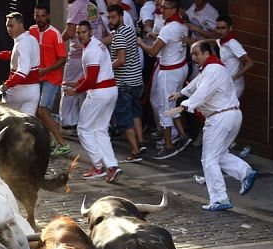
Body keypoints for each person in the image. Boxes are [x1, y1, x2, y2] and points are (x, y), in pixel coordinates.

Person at [167, 40, 258, 211]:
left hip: (220, 118)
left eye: (196, 54)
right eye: (192, 54)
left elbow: (203, 90)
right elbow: (197, 84)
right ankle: (245, 172)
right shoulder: (213, 68)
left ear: (207, 53)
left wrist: (185, 105)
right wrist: (181, 93)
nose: (193, 57)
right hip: (230, 115)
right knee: (219, 154)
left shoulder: (212, 70)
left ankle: (219, 198)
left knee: (209, 159)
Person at [64, 21, 121, 183]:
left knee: (83, 129)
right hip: (110, 90)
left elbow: (91, 79)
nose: (80, 35)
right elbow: (94, 74)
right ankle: (112, 166)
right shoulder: (98, 45)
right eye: (78, 32)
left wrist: (75, 90)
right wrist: (77, 82)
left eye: (83, 32)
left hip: (99, 93)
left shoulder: (91, 51)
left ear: (90, 32)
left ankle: (98, 167)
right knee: (100, 130)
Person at [138, 0, 191, 160]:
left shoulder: (170, 28)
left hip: (169, 71)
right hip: (179, 68)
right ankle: (182, 136)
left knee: (164, 108)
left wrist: (140, 43)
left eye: (165, 8)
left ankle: (168, 146)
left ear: (174, 9)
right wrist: (157, 36)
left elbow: (154, 51)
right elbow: (169, 41)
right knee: (172, 104)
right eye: (161, 7)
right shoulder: (181, 25)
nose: (161, 11)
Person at [29, 5, 71, 156]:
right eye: (37, 16)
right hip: (38, 77)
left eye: (42, 16)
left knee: (42, 111)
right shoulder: (31, 31)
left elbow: (63, 58)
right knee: (38, 111)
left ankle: (62, 144)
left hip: (52, 78)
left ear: (48, 17)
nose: (40, 19)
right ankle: (52, 139)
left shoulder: (55, 34)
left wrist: (46, 70)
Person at [107, 4, 145, 163]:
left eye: (113, 17)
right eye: (109, 17)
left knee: (125, 117)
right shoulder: (129, 30)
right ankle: (141, 142)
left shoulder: (120, 36)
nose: (110, 20)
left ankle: (135, 151)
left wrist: (105, 67)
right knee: (135, 113)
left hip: (124, 83)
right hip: (137, 81)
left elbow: (121, 60)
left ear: (121, 17)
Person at [0, 12, 41, 116]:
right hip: (34, 90)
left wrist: (5, 86)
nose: (9, 29)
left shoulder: (21, 44)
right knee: (27, 126)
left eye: (11, 26)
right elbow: (17, 55)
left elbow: (22, 71)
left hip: (18, 90)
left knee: (7, 121)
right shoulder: (32, 39)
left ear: (21, 25)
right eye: (7, 26)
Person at [60, 0, 100, 128]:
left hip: (77, 54)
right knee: (85, 88)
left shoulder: (75, 5)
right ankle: (80, 120)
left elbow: (70, 32)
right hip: (91, 52)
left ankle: (67, 122)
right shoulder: (92, 6)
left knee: (68, 84)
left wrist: (55, 41)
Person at [214, 15, 253, 99]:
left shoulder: (232, 43)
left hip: (235, 87)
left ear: (230, 28)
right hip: (225, 85)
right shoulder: (221, 41)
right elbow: (212, 41)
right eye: (218, 28)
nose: (220, 31)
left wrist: (234, 77)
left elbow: (249, 63)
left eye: (223, 28)